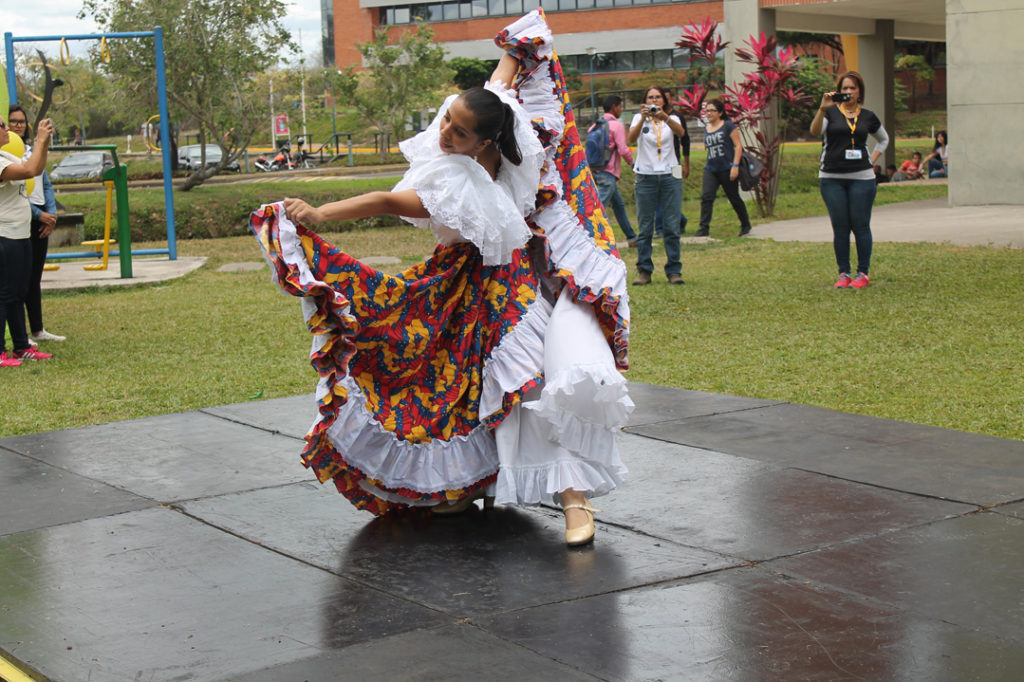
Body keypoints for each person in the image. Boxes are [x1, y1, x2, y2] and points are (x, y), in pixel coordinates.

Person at [251, 9, 630, 547]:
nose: (445, 132)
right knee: (455, 385)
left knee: (525, 382)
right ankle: (465, 486)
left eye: (458, 129)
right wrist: (519, 46)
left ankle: (574, 500)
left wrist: (322, 214)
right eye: (447, 119)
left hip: (510, 291)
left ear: (484, 141)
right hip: (461, 286)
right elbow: (500, 82)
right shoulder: (489, 128)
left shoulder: (476, 162)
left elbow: (387, 200)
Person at [810, 70, 890, 289]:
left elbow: (884, 140)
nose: (848, 92)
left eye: (852, 88)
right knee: (841, 226)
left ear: (859, 92)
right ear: (838, 91)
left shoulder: (868, 116)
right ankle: (843, 273)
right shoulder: (829, 114)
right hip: (832, 177)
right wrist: (822, 107)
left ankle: (862, 273)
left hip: (862, 177)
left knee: (861, 225)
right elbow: (815, 131)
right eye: (844, 88)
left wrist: (871, 160)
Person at [0, 113, 55, 366]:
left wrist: (43, 143)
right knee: (5, 293)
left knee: (18, 292)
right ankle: (1, 351)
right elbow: (30, 169)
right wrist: (41, 138)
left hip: (21, 234)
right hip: (5, 235)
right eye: (2, 125)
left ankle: (21, 347)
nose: (7, 129)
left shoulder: (7, 156)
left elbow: (37, 169)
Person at [8, 106, 65, 344]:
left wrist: (50, 214)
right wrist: (37, 215)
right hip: (22, 219)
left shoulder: (32, 150)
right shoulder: (7, 156)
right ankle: (20, 337)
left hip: (41, 217)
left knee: (34, 278)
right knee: (18, 281)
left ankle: (38, 329)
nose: (18, 125)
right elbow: (18, 192)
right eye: (12, 122)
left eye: (22, 121)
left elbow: (44, 181)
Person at [627, 85, 687, 285]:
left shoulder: (672, 119)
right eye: (650, 98)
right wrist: (644, 118)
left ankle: (674, 270)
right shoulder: (638, 118)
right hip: (646, 176)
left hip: (670, 175)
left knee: (672, 226)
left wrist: (664, 117)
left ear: (664, 100)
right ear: (645, 101)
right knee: (645, 227)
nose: (654, 101)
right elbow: (630, 139)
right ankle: (644, 270)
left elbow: (681, 133)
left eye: (658, 97)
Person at [695, 99, 752, 237]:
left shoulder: (727, 126)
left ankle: (745, 224)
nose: (709, 113)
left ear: (720, 112)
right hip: (711, 168)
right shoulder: (706, 129)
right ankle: (703, 228)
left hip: (727, 168)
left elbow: (738, 146)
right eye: (707, 111)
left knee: (733, 197)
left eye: (712, 110)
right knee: (707, 197)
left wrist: (735, 165)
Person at [590, 95, 636, 246]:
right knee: (599, 209)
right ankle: (594, 240)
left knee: (619, 205)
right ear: (614, 106)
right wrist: (633, 164)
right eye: (620, 107)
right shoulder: (616, 125)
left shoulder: (595, 125)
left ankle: (632, 238)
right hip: (608, 173)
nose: (621, 110)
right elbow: (623, 149)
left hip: (596, 171)